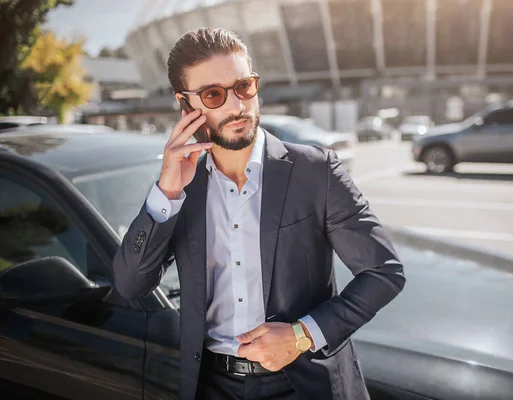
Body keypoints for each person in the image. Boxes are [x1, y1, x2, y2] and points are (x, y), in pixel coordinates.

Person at [113, 27, 406, 400]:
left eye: (244, 86)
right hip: (212, 385)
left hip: (305, 385)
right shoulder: (181, 188)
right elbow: (130, 285)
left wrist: (301, 335)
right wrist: (167, 192)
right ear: (186, 106)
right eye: (213, 95)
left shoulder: (316, 171)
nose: (237, 106)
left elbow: (384, 273)